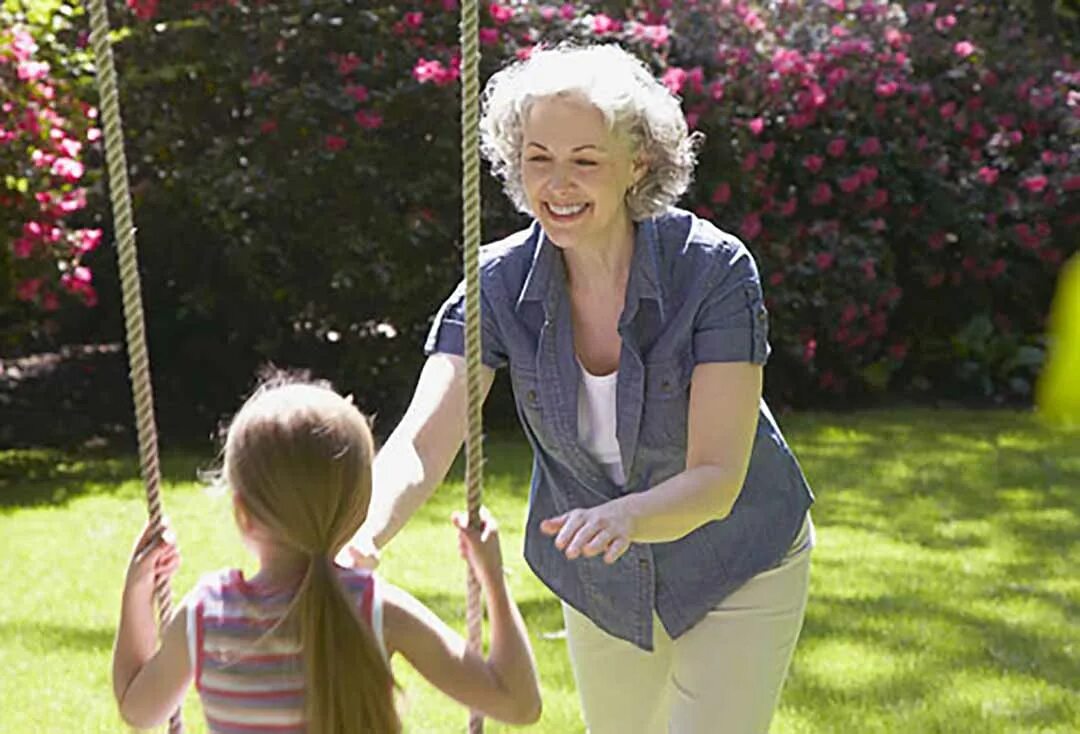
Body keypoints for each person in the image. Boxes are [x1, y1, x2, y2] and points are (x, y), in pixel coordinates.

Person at [342, 43, 815, 733]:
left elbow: (717, 477)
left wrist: (626, 517)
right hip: (600, 575)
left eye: (585, 161)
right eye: (538, 158)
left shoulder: (712, 271)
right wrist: (364, 535)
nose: (557, 184)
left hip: (737, 560)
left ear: (638, 163)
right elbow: (423, 442)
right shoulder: (497, 284)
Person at [111, 375, 541, 733]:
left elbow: (138, 709)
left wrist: (137, 590)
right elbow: (519, 705)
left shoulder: (208, 614)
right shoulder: (375, 609)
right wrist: (493, 580)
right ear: (359, 510)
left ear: (242, 513)